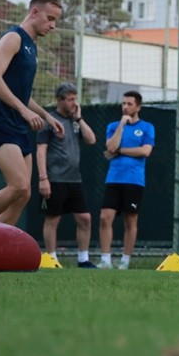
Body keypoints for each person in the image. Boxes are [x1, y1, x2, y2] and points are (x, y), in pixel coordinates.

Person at [0, 0, 65, 226]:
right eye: (50, 18)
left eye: (56, 20)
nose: (53, 26)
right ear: (34, 12)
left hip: (16, 124)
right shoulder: (13, 38)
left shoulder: (31, 47)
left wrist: (47, 116)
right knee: (18, 185)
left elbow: (21, 94)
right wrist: (24, 112)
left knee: (24, 193)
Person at [36, 83, 97, 268]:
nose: (73, 103)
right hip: (55, 179)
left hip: (74, 179)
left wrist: (79, 118)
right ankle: (51, 259)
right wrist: (43, 178)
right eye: (70, 99)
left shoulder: (74, 121)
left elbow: (92, 140)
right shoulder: (49, 121)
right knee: (53, 218)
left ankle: (83, 259)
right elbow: (40, 151)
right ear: (60, 100)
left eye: (75, 99)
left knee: (85, 218)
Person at [98, 91, 155, 270]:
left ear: (138, 107)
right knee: (105, 217)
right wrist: (122, 125)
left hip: (134, 180)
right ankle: (105, 260)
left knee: (130, 220)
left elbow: (145, 151)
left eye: (129, 104)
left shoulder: (147, 127)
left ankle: (125, 261)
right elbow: (110, 146)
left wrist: (120, 151)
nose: (125, 107)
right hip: (114, 178)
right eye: (123, 103)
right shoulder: (113, 126)